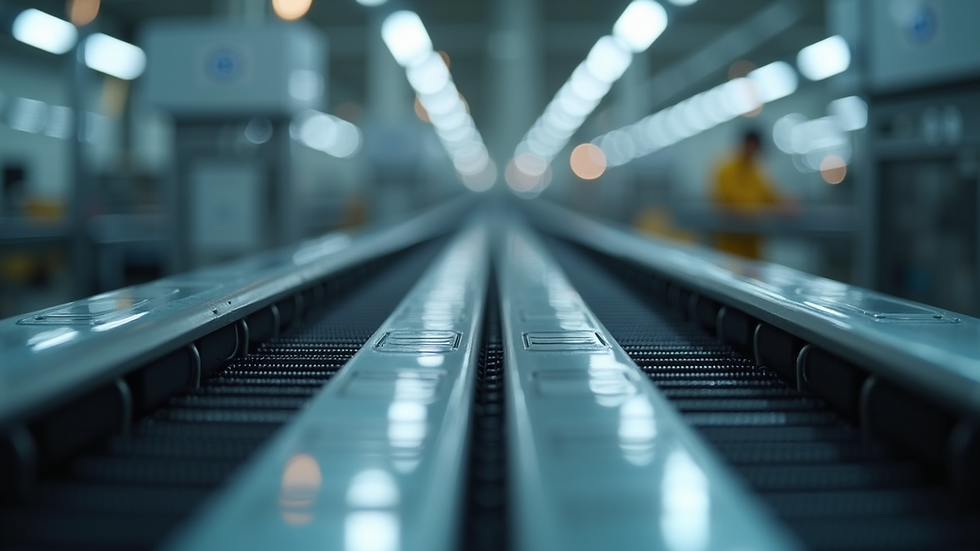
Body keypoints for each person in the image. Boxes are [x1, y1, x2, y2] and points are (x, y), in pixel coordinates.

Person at [711, 129, 782, 260]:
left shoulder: (756, 172)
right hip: (730, 248)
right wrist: (761, 214)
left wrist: (786, 203)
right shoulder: (726, 169)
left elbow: (771, 196)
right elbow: (731, 203)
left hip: (753, 249)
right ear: (747, 144)